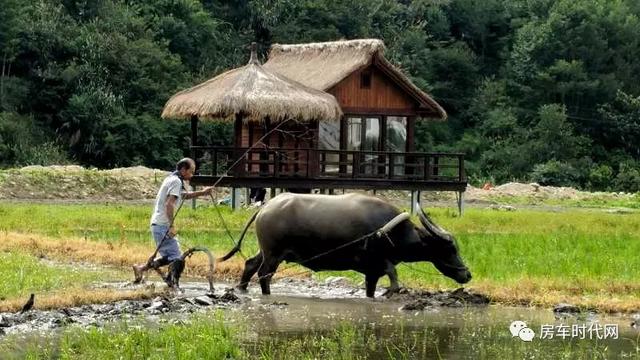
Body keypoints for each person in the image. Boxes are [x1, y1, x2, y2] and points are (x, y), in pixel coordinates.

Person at [133, 158, 213, 283]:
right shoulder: (176, 181)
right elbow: (169, 204)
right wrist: (171, 226)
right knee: (177, 258)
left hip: (158, 223)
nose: (192, 175)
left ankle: (142, 268)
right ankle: (173, 285)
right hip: (162, 225)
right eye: (191, 171)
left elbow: (183, 195)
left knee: (169, 256)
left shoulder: (171, 178)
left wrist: (202, 193)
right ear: (183, 169)